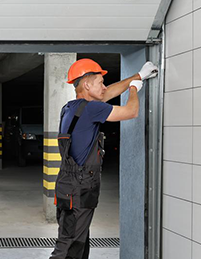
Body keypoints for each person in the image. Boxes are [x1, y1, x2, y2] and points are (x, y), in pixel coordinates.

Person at [50, 59, 158, 259]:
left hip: (69, 186)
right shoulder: (91, 109)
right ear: (87, 85)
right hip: (79, 189)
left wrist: (138, 76)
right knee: (68, 247)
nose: (104, 86)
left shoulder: (71, 108)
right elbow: (131, 111)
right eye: (100, 82)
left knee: (77, 244)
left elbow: (106, 94)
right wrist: (133, 89)